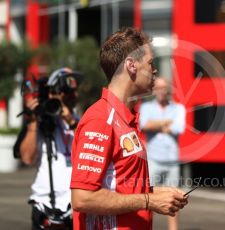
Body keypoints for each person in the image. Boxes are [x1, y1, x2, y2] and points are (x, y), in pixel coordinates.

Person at [70, 27, 188, 230]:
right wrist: (148, 200)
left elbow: (119, 185)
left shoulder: (126, 118)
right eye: (150, 63)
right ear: (131, 65)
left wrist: (156, 193)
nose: (155, 70)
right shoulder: (100, 119)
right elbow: (83, 198)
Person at [19, 67, 82, 229]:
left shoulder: (78, 121)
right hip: (45, 207)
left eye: (75, 92)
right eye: (67, 92)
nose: (74, 96)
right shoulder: (40, 121)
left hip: (74, 207)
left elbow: (88, 149)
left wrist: (70, 120)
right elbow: (27, 158)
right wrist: (33, 120)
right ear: (53, 94)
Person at [139, 77, 186, 230]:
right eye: (158, 88)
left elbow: (179, 128)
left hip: (172, 160)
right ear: (154, 90)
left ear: (168, 89)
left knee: (174, 198)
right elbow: (144, 125)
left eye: (164, 88)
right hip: (153, 160)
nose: (161, 91)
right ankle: (146, 226)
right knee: (149, 198)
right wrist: (165, 123)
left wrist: (155, 124)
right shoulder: (146, 108)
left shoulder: (178, 108)